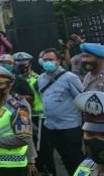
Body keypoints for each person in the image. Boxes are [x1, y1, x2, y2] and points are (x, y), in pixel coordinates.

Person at [38, 48, 85, 176]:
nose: (47, 62)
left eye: (50, 60)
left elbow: (81, 99)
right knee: (64, 158)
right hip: (51, 126)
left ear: (58, 60)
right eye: (45, 60)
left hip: (70, 127)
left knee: (75, 160)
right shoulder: (41, 79)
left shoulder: (70, 77)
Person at [13, 52, 51, 175]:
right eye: (18, 64)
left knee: (43, 150)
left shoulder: (38, 78)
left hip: (38, 117)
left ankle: (49, 171)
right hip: (23, 117)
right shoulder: (15, 80)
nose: (20, 66)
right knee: (28, 148)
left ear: (29, 63)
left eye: (23, 64)